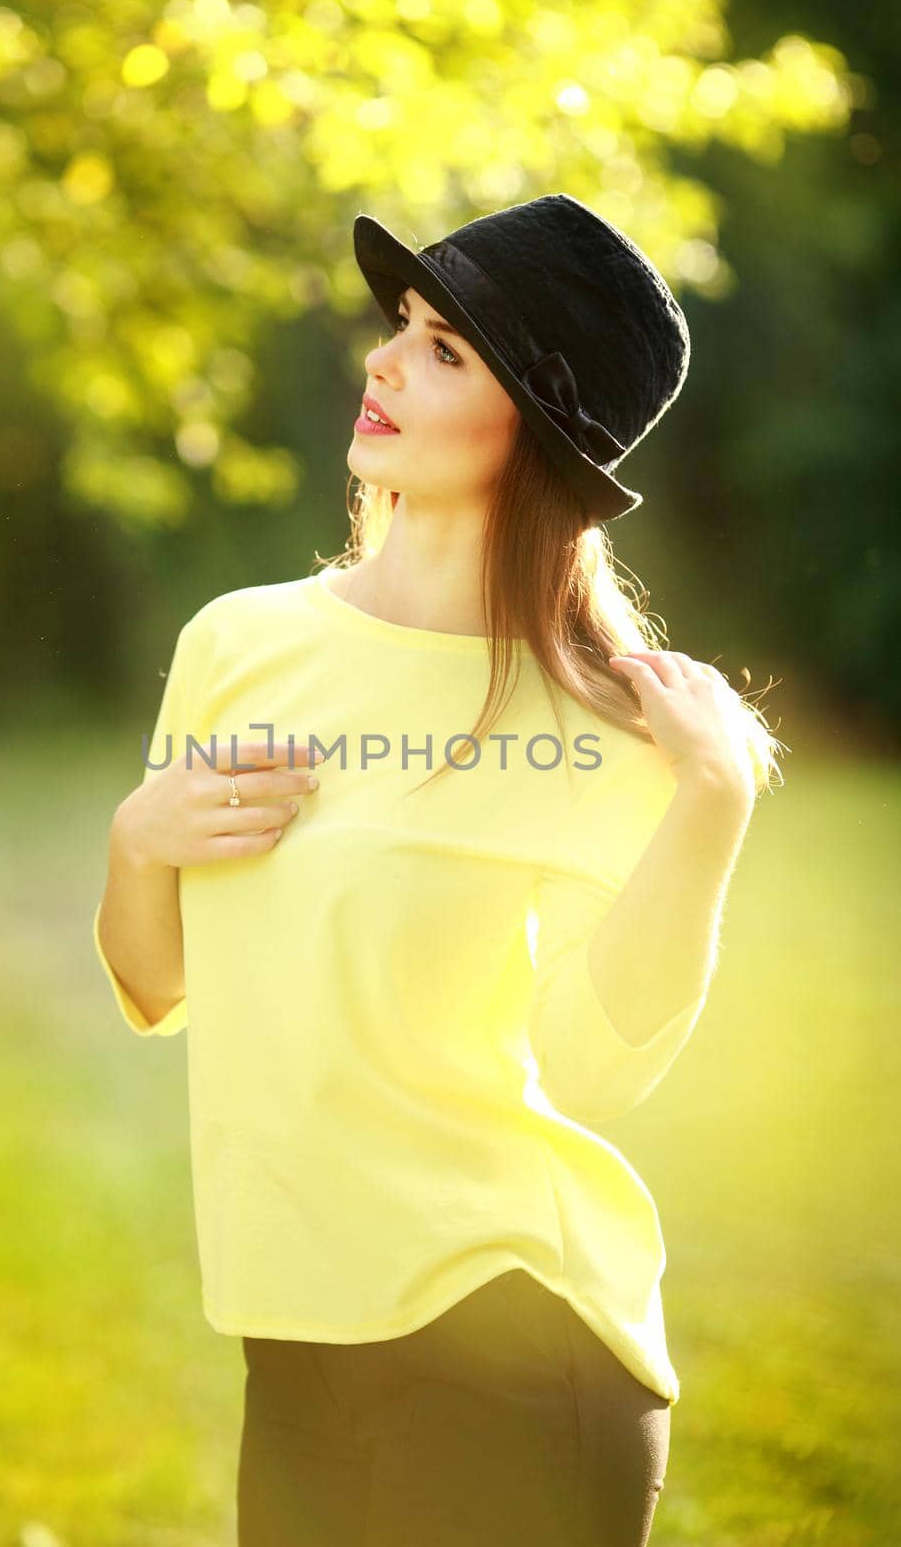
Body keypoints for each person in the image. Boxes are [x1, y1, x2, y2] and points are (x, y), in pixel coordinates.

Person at [93, 193, 783, 1546]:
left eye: (447, 350)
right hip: (290, 1332)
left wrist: (708, 801)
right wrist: (137, 840)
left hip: (510, 1336)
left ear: (536, 435)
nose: (386, 362)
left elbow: (595, 1065)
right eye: (401, 326)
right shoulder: (236, 644)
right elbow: (163, 978)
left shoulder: (601, 731)